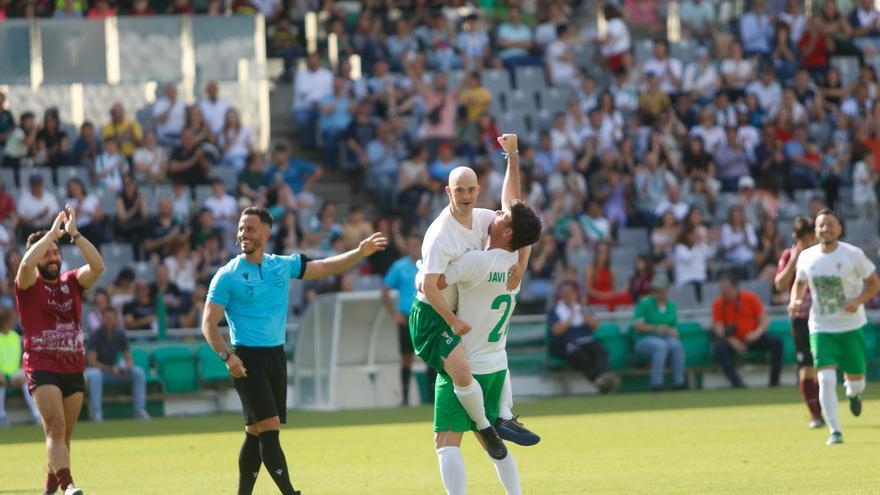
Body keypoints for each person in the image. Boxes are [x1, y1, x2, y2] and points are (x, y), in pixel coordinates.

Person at [201, 206, 387, 495]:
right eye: (240, 228)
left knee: (255, 432)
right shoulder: (228, 275)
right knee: (271, 428)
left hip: (276, 357)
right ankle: (290, 492)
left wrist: (359, 253)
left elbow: (326, 266)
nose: (243, 234)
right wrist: (228, 356)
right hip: (246, 359)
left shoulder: (282, 265)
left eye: (249, 229)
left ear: (266, 232)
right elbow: (208, 323)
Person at [408, 134, 537, 462]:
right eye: (459, 190)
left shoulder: (483, 219)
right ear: (448, 193)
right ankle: (486, 425)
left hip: (453, 310)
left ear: (478, 191)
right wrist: (452, 320)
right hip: (431, 314)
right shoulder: (441, 235)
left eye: (470, 189)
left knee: (489, 358)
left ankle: (497, 420)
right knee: (463, 372)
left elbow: (516, 212)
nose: (465, 196)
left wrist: (512, 156)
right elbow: (428, 287)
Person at [431, 198, 542, 495]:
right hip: (496, 367)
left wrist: (422, 269)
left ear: (507, 233)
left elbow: (433, 283)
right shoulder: (516, 268)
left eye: (503, 215)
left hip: (466, 364)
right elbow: (516, 218)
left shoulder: (476, 261)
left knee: (446, 443)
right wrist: (513, 158)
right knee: (490, 438)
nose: (495, 213)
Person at [15, 204, 104, 495]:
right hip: (42, 364)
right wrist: (51, 234)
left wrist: (74, 235)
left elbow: (98, 267)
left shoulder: (72, 282)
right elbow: (26, 267)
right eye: (47, 253)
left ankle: (50, 492)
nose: (53, 258)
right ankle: (69, 486)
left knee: (64, 436)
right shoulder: (28, 285)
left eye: (55, 252)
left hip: (73, 365)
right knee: (54, 426)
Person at [791, 209, 880, 445]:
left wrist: (858, 301)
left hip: (851, 327)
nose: (825, 229)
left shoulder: (853, 254)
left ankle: (853, 394)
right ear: (815, 230)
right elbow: (799, 282)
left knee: (857, 382)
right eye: (821, 225)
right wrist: (795, 300)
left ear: (839, 229)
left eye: (830, 225)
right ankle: (835, 430)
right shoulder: (807, 256)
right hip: (821, 328)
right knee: (827, 379)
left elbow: (874, 283)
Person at [774, 216, 823, 429]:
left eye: (813, 237)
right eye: (807, 238)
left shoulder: (823, 254)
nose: (811, 241)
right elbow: (779, 284)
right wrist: (794, 260)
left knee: (823, 366)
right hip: (801, 318)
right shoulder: (788, 256)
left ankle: (824, 409)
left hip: (823, 318)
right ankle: (815, 415)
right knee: (806, 367)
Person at [381, 232, 433, 406]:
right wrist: (394, 315)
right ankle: (404, 398)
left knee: (431, 357)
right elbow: (384, 292)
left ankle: (432, 398)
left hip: (426, 318)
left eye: (416, 244)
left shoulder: (429, 264)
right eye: (409, 244)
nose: (413, 248)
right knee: (406, 357)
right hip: (406, 317)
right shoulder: (399, 266)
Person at [711, 274, 783, 389]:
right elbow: (718, 327)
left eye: (726, 289)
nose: (724, 292)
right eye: (722, 289)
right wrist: (731, 340)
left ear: (735, 287)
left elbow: (764, 320)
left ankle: (774, 382)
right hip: (732, 340)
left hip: (752, 338)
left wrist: (756, 333)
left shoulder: (750, 298)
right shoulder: (718, 303)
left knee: (776, 342)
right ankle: (737, 383)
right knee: (719, 348)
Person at [548, 281, 620, 393]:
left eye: (570, 292)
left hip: (586, 340)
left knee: (601, 351)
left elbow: (595, 326)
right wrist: (571, 314)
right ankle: (600, 379)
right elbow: (556, 331)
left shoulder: (583, 308)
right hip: (567, 342)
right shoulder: (556, 309)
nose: (567, 295)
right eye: (565, 292)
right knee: (580, 356)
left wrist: (583, 311)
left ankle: (602, 378)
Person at [84, 307, 148, 422]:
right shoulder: (95, 335)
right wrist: (110, 368)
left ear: (116, 320)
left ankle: (140, 410)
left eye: (112, 318)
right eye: (106, 318)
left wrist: (126, 367)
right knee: (96, 375)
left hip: (113, 371)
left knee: (138, 372)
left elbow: (129, 359)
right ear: (102, 320)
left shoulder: (120, 334)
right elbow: (91, 362)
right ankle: (97, 413)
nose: (109, 320)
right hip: (96, 371)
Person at [631, 274, 686, 391]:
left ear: (666, 290)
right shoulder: (644, 303)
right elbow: (637, 326)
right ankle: (657, 384)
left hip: (665, 337)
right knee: (661, 346)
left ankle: (679, 382)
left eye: (660, 290)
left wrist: (674, 331)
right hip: (643, 339)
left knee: (677, 345)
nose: (657, 293)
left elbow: (673, 327)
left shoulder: (671, 306)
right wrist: (655, 328)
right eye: (655, 290)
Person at [0, 307, 42, 426]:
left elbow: (20, 360)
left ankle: (37, 416)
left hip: (15, 374)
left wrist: (23, 372)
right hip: (2, 375)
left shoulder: (15, 336)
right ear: (4, 321)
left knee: (27, 379)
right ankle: (1, 416)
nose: (14, 321)